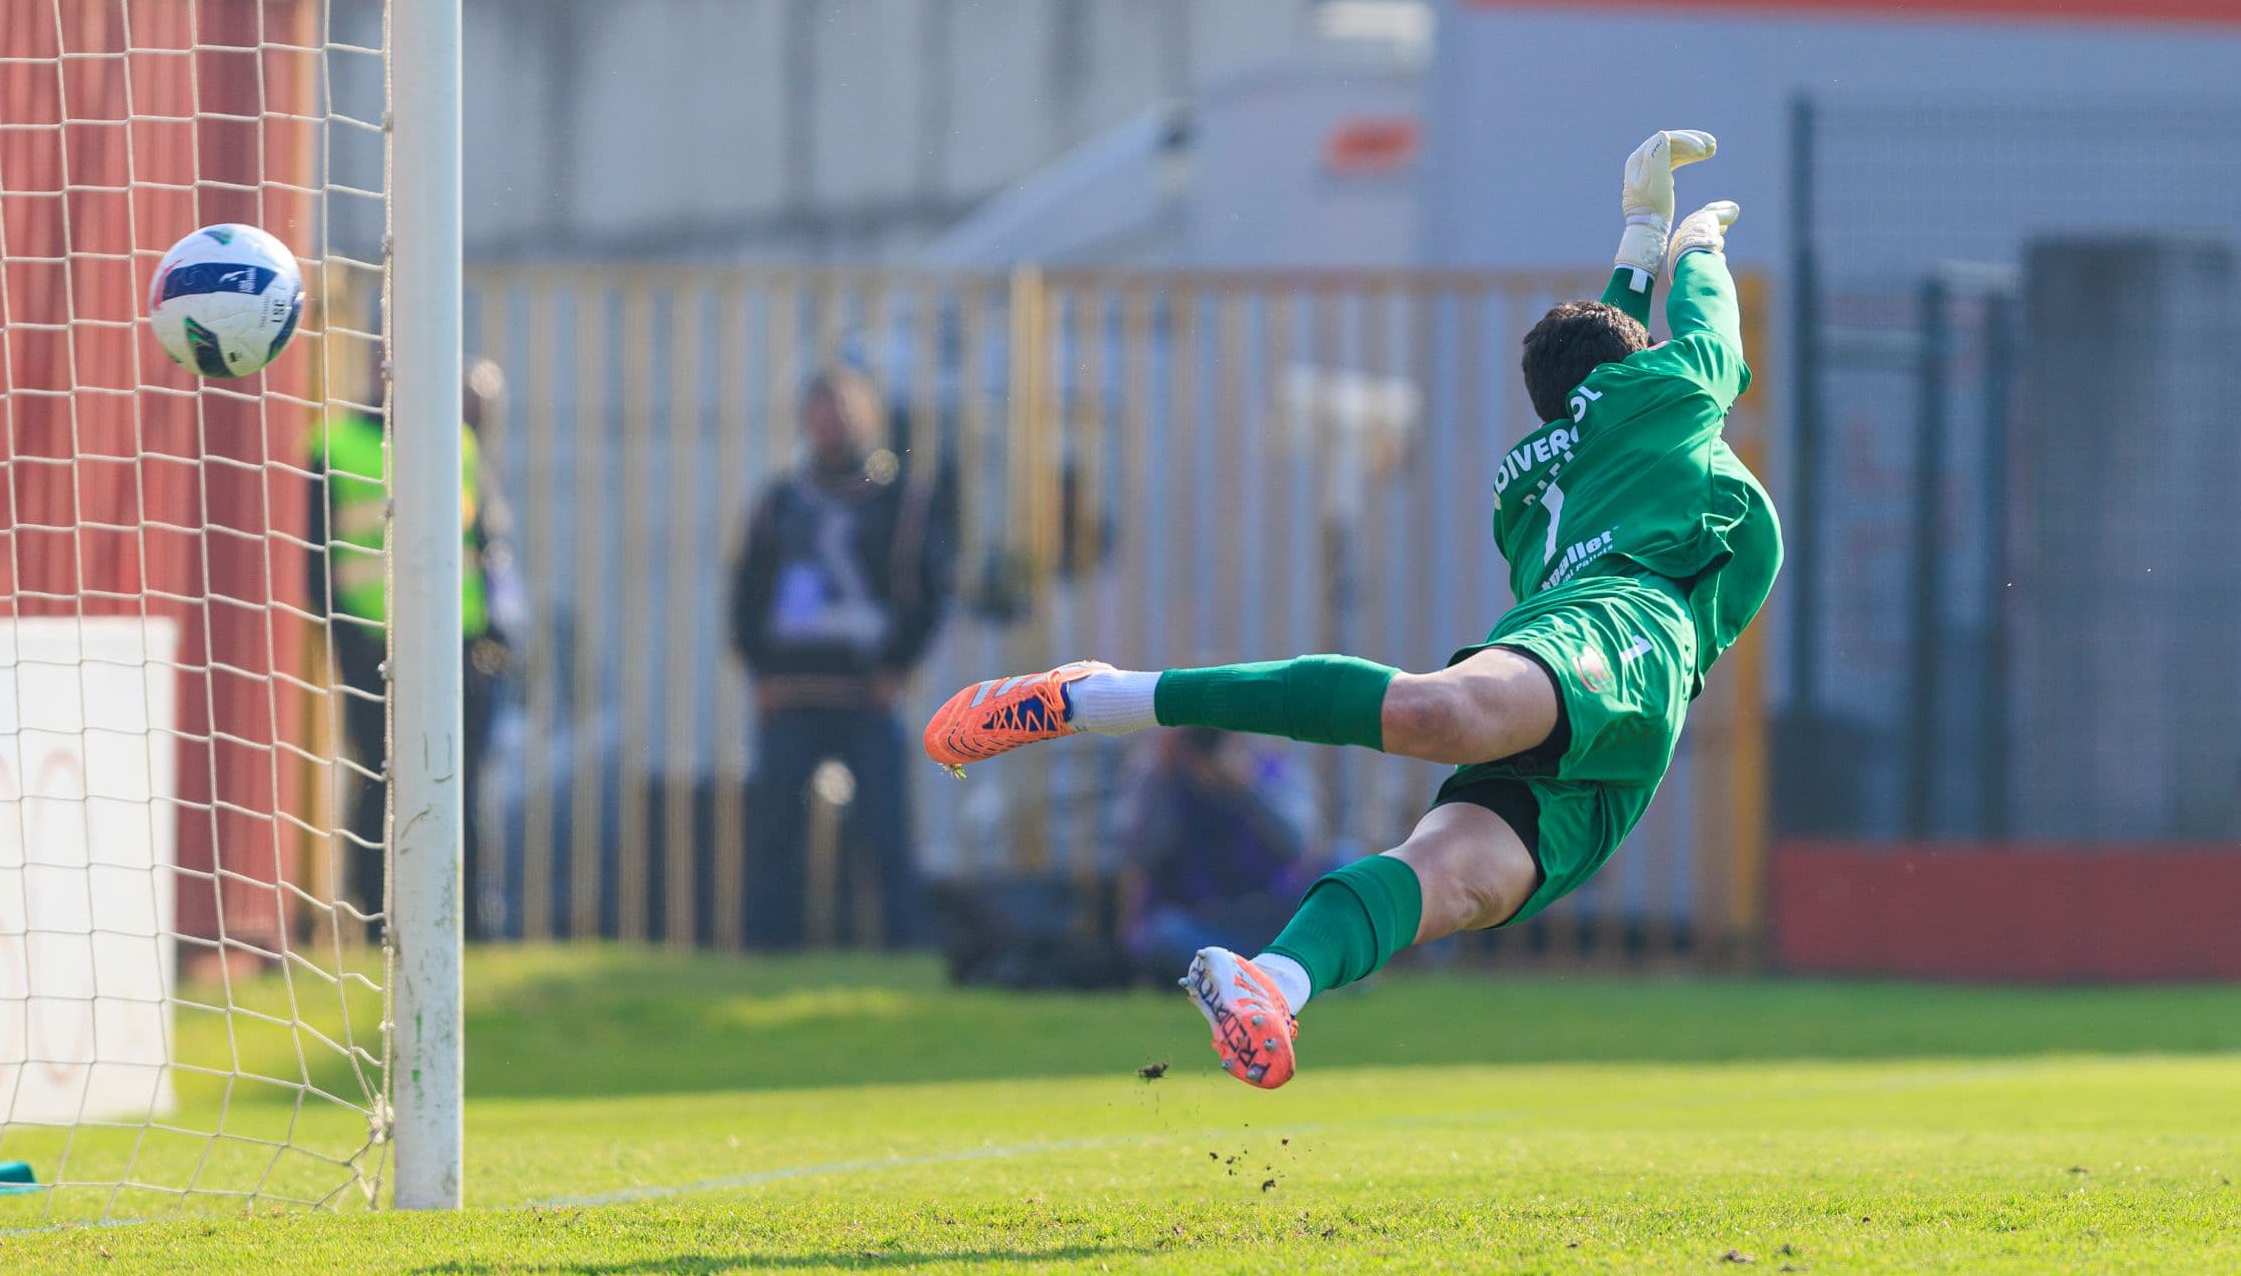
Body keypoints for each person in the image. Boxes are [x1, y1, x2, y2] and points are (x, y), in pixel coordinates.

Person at [922, 130, 1781, 1088]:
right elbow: (1704, 335)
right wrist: (1695, 247)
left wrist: (1639, 236)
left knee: (1455, 885)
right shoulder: (1659, 405)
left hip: (1626, 709)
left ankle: (1271, 983)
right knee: (1434, 713)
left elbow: (1609, 358)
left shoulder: (1562, 460)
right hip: (1617, 625)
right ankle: (1100, 696)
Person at [732, 366, 955, 949]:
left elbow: (931, 593)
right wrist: (761, 670)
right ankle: (768, 948)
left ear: (869, 417)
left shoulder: (903, 500)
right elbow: (748, 591)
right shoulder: (780, 501)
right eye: (822, 411)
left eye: (844, 410)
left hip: (866, 696)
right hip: (790, 695)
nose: (832, 424)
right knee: (775, 829)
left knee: (884, 829)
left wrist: (897, 665)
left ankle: (903, 947)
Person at [309, 364, 513, 940]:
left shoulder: (457, 442)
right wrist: (344, 635)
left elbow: (484, 543)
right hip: (372, 645)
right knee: (381, 778)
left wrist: (495, 628)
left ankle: (464, 921)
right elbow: (313, 556)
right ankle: (377, 917)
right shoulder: (334, 445)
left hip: (458, 645)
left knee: (458, 779)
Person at [1113, 729, 1318, 985]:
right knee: (1164, 934)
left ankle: (1255, 973)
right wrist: (1165, 777)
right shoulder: (1166, 777)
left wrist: (1246, 786)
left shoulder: (1266, 768)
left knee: (1341, 864)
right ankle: (1266, 974)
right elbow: (1141, 857)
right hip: (1205, 925)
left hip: (1272, 917)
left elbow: (1297, 844)